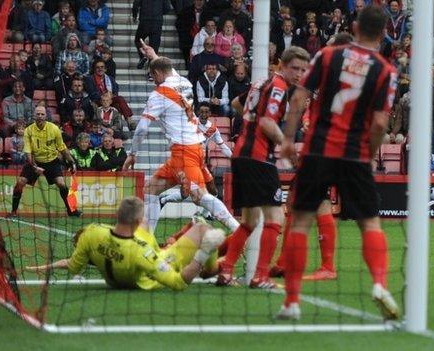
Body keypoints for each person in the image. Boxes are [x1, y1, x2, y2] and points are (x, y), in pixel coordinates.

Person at [278, 5, 400, 321]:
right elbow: (378, 124)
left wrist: (289, 139)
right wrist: (369, 155)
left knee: (301, 223)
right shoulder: (386, 71)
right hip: (355, 156)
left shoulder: (328, 56)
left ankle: (291, 302)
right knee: (369, 224)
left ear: (356, 26)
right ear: (384, 32)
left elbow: (298, 98)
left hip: (318, 150)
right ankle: (379, 284)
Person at [123, 40, 240, 237]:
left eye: (152, 76)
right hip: (191, 147)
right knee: (150, 189)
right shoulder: (183, 81)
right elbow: (164, 67)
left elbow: (142, 128)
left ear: (158, 73)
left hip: (185, 151)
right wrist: (153, 55)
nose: (153, 80)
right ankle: (147, 241)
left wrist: (132, 153)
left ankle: (239, 231)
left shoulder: (159, 94)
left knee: (199, 196)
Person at [216, 46, 310, 289]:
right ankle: (260, 276)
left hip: (241, 156)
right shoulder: (279, 88)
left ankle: (226, 271)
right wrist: (286, 145)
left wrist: (251, 122)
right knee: (275, 218)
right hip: (259, 158)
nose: (299, 74)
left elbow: (237, 104)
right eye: (295, 68)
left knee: (249, 220)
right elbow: (268, 122)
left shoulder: (261, 83)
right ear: (282, 66)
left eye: (303, 69)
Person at [24, 197, 225, 291]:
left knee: (148, 226)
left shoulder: (92, 233)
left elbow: (72, 264)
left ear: (117, 215)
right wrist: (204, 252)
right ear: (134, 221)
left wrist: (41, 267)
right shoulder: (143, 253)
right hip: (155, 262)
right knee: (202, 228)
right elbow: (179, 283)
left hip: (124, 257)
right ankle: (211, 269)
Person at [7, 105, 81, 218]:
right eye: (38, 114)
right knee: (20, 183)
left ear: (46, 116)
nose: (40, 116)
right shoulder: (28, 130)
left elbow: (62, 148)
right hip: (35, 161)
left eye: (42, 114)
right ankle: (13, 212)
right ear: (34, 116)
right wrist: (35, 166)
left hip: (52, 161)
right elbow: (28, 152)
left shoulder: (54, 129)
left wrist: (72, 161)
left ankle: (71, 210)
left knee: (61, 184)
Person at [133, 0, 170, 70]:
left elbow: (135, 5)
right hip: (157, 22)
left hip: (144, 21)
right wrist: (159, 12)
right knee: (154, 46)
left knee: (138, 40)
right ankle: (151, 70)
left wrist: (134, 15)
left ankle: (143, 55)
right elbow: (167, 8)